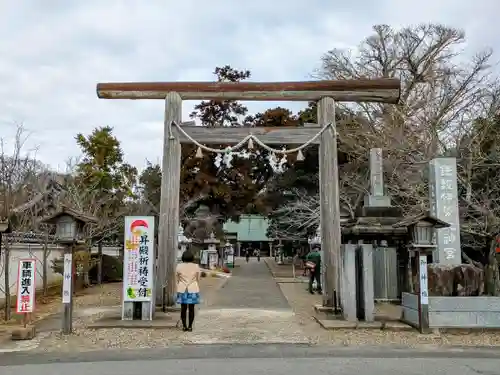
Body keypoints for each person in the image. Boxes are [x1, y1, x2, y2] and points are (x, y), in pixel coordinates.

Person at [176, 250, 201, 331]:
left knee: (183, 308)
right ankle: (190, 326)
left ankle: (184, 326)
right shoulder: (196, 266)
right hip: (193, 289)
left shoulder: (179, 266)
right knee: (191, 309)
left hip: (182, 289)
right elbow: (198, 279)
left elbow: (177, 279)